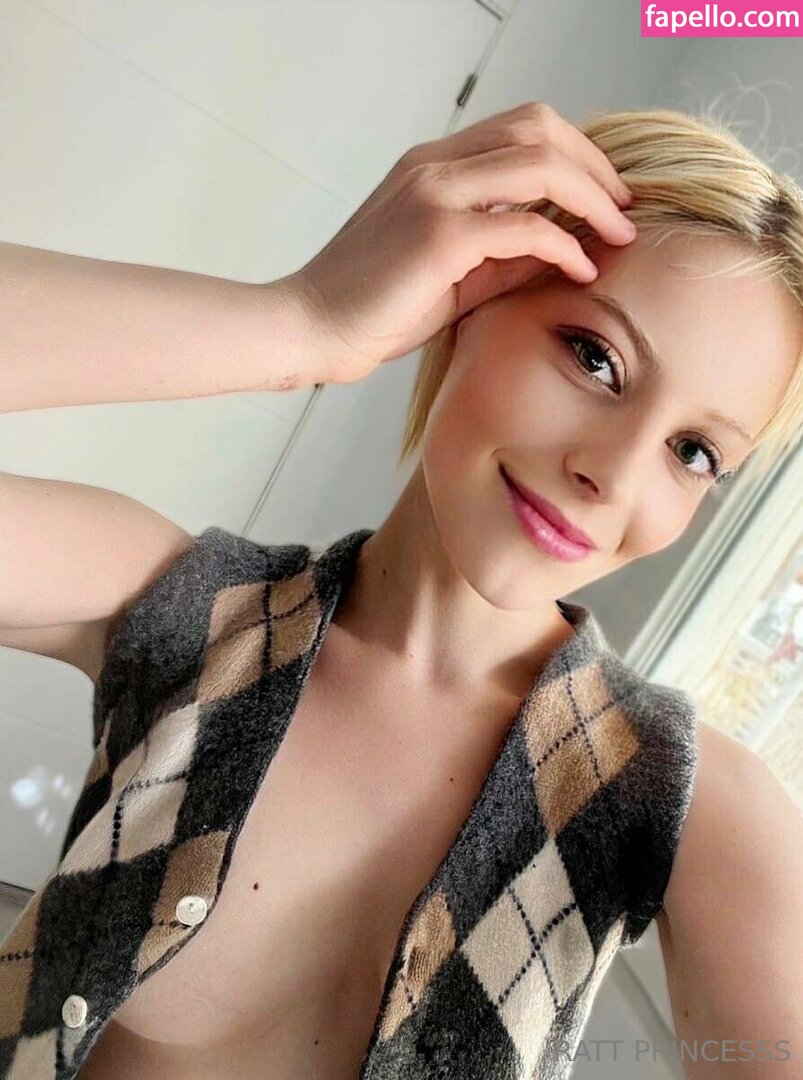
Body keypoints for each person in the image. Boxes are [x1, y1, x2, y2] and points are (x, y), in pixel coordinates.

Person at [0, 100, 801, 1080]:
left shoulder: (688, 808)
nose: (613, 474)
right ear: (466, 296)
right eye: (595, 358)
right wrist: (302, 319)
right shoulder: (184, 607)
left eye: (693, 451)